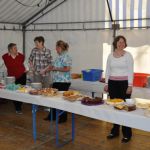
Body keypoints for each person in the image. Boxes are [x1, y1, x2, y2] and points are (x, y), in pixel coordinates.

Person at [104, 35, 134, 143]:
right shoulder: (110, 56)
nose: (121, 44)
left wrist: (130, 85)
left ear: (125, 44)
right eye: (119, 42)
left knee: (125, 108)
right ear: (115, 43)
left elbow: (131, 71)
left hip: (124, 85)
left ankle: (127, 133)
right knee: (115, 108)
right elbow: (107, 70)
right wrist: (107, 83)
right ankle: (115, 131)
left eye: (123, 42)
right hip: (112, 84)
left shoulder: (128, 55)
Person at [44, 40, 72, 123]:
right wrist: (47, 69)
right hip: (57, 81)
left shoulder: (66, 56)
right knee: (53, 98)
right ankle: (52, 116)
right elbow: (53, 66)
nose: (56, 49)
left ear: (60, 48)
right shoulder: (59, 56)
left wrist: (55, 68)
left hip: (63, 82)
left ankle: (63, 118)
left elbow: (67, 69)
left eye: (56, 48)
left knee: (61, 100)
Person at [2, 43, 26, 114]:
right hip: (11, 77)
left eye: (16, 48)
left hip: (22, 76)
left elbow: (22, 64)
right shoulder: (5, 57)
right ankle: (17, 107)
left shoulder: (21, 56)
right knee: (14, 92)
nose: (16, 49)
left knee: (21, 91)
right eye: (14, 48)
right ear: (10, 50)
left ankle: (19, 106)